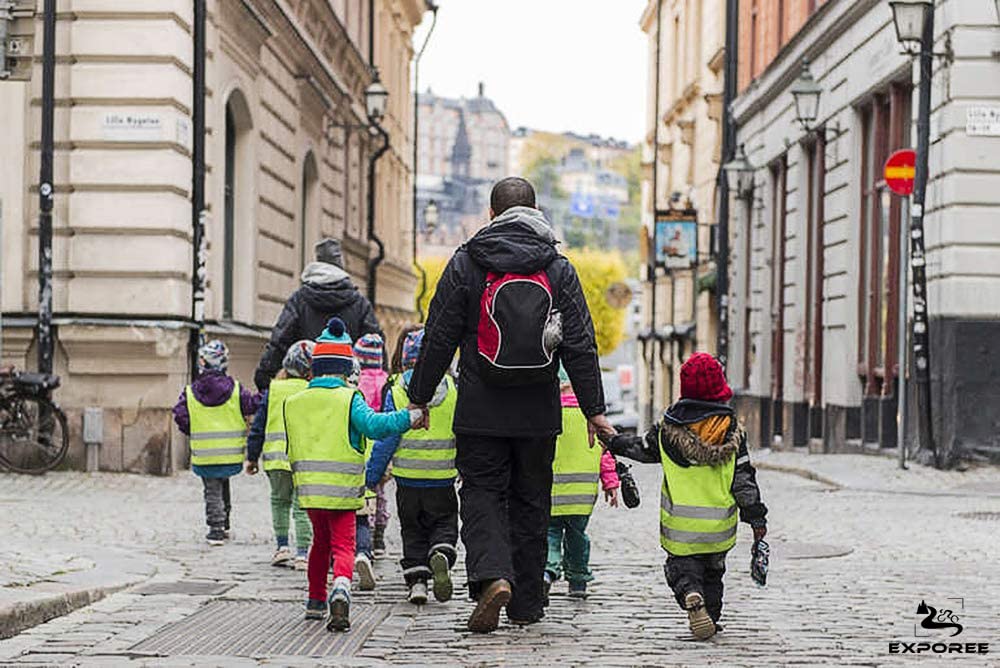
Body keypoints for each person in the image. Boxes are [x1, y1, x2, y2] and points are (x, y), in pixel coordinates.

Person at [407, 177, 615, 633]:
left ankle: (491, 578)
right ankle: (525, 603)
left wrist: (419, 397)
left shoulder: (467, 261)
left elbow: (438, 336)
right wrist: (593, 409)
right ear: (537, 211)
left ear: (491, 214)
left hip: (480, 407)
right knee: (531, 501)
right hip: (539, 411)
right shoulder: (557, 267)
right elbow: (580, 344)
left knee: (481, 493)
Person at [602, 352, 768, 640]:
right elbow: (744, 481)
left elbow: (641, 449)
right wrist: (756, 518)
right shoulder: (731, 431)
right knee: (714, 574)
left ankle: (691, 595)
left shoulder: (668, 431)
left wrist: (614, 442)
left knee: (682, 570)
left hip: (680, 528)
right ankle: (711, 618)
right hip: (719, 529)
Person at [285, 317, 426, 632]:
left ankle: (315, 600)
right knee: (344, 547)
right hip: (344, 490)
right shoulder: (350, 398)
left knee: (319, 544)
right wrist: (410, 417)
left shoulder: (293, 402)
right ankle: (341, 590)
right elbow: (376, 427)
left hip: (309, 491)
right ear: (346, 367)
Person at [367, 327, 459, 606]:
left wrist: (372, 475)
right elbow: (464, 433)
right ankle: (441, 551)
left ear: (405, 359)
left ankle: (417, 582)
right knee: (444, 523)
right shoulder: (454, 389)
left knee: (412, 529)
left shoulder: (396, 390)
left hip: (408, 480)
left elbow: (387, 437)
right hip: (443, 477)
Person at [254, 238, 381, 392]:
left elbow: (280, 340)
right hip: (347, 395)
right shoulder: (360, 305)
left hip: (303, 392)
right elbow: (374, 344)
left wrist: (264, 376)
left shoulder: (299, 300)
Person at [172, 340, 260, 545]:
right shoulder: (236, 390)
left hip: (205, 453)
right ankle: (225, 521)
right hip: (230, 453)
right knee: (223, 483)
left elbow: (180, 414)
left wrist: (192, 430)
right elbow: (252, 404)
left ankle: (216, 528)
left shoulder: (192, 391)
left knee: (211, 489)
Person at [545, 368, 619, 602]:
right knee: (578, 536)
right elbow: (605, 453)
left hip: (550, 492)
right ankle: (577, 581)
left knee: (550, 534)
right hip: (582, 494)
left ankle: (547, 571)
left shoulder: (546, 411)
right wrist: (610, 483)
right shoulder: (591, 415)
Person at [244, 340, 314, 570]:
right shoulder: (313, 391)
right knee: (302, 506)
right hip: (304, 458)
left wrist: (252, 457)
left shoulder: (273, 390)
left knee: (279, 502)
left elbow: (259, 426)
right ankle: (303, 554)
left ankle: (282, 547)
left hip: (276, 458)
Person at [353, 333, 392, 558]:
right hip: (383, 446)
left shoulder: (358, 383)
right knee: (380, 492)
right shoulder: (387, 381)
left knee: (364, 493)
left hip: (364, 446)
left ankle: (364, 533)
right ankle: (379, 536)